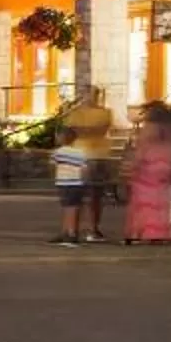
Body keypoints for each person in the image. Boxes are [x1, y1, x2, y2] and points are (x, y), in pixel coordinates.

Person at [53, 91, 115, 244]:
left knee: (87, 196)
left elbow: (71, 131)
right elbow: (71, 130)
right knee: (82, 197)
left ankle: (83, 230)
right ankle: (75, 230)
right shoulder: (80, 113)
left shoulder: (102, 113)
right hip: (90, 154)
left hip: (90, 155)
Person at [124, 105, 171, 245]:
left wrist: (133, 167)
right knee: (160, 206)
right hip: (164, 169)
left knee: (143, 205)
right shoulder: (169, 131)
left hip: (147, 171)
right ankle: (158, 234)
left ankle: (139, 233)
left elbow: (141, 151)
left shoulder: (148, 130)